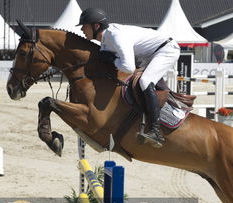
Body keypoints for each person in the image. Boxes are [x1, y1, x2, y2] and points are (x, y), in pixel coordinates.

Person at [77, 8, 181, 148]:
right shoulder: (106, 40)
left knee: (145, 81)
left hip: (166, 50)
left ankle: (156, 131)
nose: (82, 28)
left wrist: (113, 60)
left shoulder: (116, 36)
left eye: (85, 25)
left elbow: (128, 67)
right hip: (149, 54)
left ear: (96, 26)